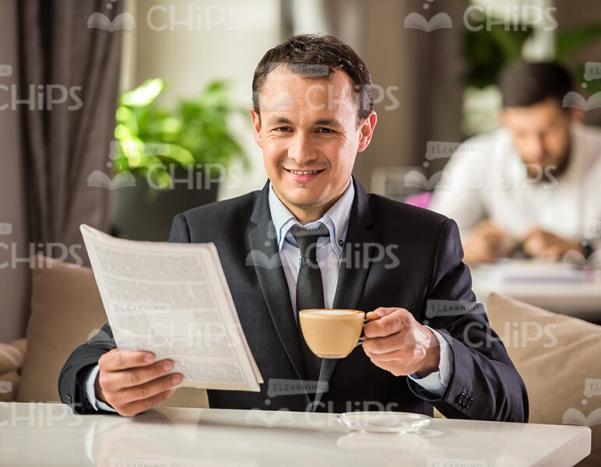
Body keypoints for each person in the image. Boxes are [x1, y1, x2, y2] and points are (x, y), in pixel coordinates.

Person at [58, 35, 527, 422]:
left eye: (325, 129)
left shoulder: (426, 239)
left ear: (364, 132)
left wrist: (430, 353)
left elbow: (511, 403)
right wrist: (101, 383)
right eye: (283, 128)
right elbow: (88, 360)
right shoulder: (203, 233)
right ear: (257, 127)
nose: (301, 153)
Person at [430, 61, 601, 272]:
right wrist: (466, 249)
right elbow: (430, 243)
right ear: (504, 121)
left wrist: (583, 251)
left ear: (574, 114)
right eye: (521, 133)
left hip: (597, 315)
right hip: (501, 312)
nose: (535, 149)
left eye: (546, 132)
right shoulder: (478, 156)